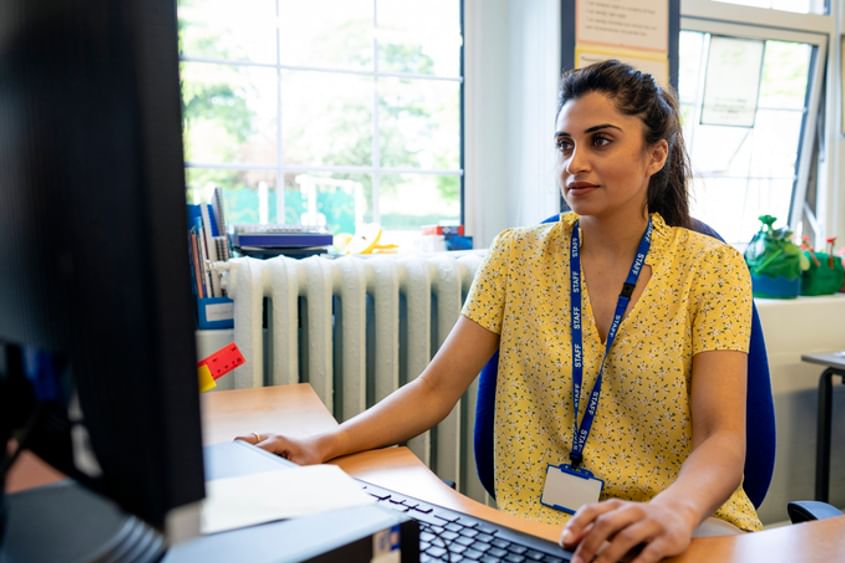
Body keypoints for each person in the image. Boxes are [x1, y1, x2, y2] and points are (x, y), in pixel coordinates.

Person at [237, 59, 761, 563]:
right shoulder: (516, 255)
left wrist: (672, 512)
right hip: (543, 527)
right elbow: (434, 390)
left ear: (655, 156)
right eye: (564, 144)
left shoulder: (712, 268)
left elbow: (723, 438)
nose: (573, 163)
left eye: (600, 141)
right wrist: (322, 443)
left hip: (674, 523)